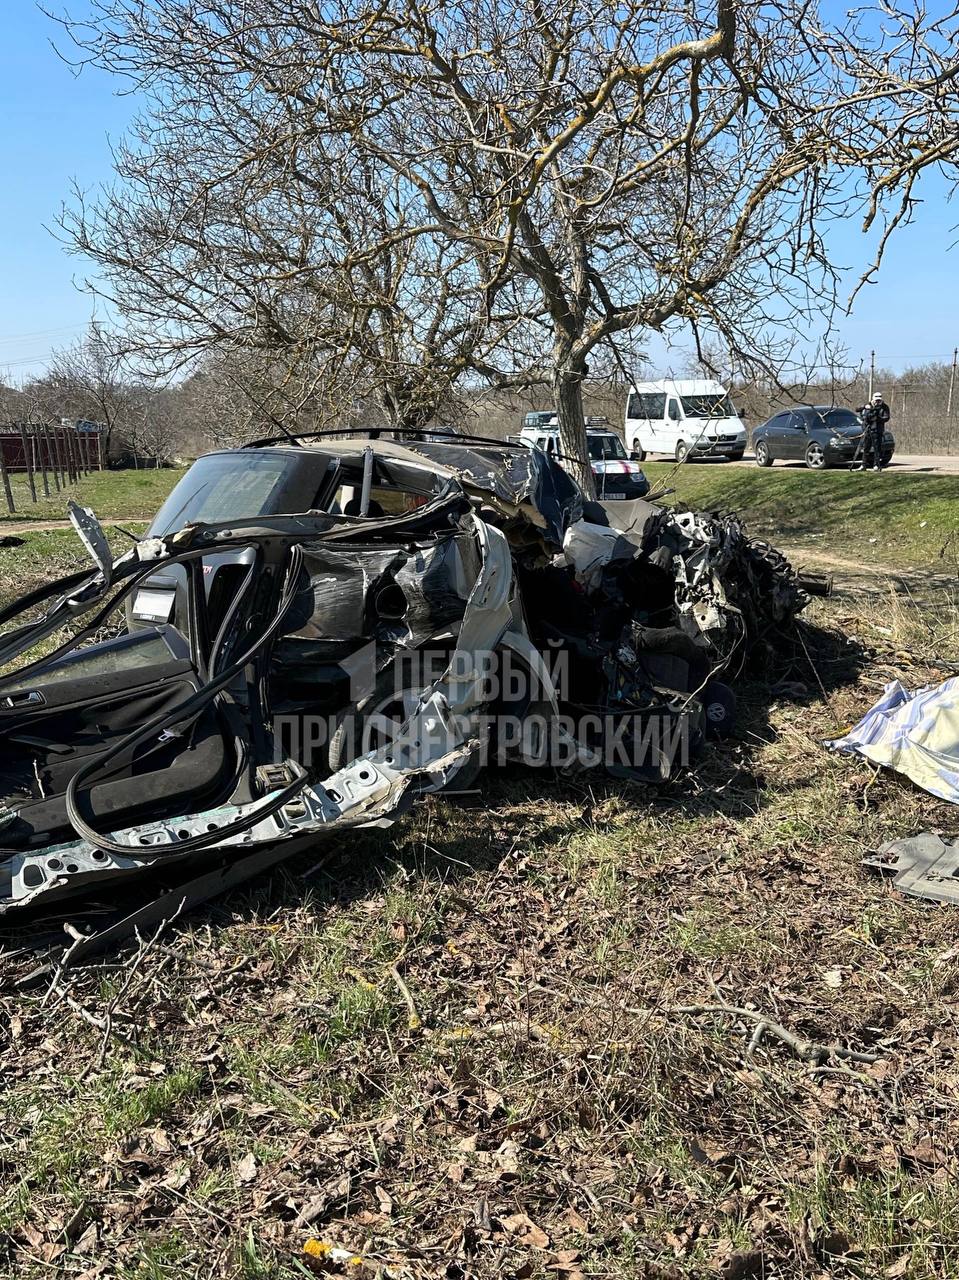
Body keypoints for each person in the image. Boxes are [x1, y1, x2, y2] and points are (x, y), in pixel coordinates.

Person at [855, 392, 891, 471]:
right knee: (866, 448)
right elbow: (857, 409)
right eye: (876, 400)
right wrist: (864, 407)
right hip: (868, 429)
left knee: (877, 448)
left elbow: (886, 417)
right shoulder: (868, 405)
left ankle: (876, 465)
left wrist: (878, 418)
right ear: (873, 399)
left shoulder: (884, 407)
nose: (877, 402)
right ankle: (863, 465)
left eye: (879, 400)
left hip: (878, 430)